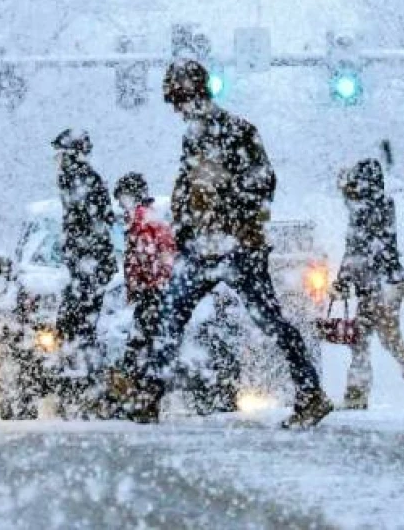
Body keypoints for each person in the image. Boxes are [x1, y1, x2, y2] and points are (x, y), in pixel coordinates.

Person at [131, 59, 332, 429]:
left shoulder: (236, 130)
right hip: (206, 246)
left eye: (178, 100)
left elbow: (263, 182)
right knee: (173, 317)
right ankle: (149, 395)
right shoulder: (196, 135)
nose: (177, 110)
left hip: (233, 246)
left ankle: (310, 392)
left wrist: (230, 211)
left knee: (263, 320)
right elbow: (193, 186)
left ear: (193, 94)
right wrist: (188, 222)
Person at [333, 158, 404, 409]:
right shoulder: (376, 205)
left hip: (382, 285)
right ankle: (357, 393)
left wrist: (344, 279)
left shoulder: (366, 210)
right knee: (361, 338)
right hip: (380, 283)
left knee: (387, 337)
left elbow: (358, 251)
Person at [50, 128, 116, 413]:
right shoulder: (82, 179)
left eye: (61, 155)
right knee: (77, 325)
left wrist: (80, 255)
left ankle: (89, 388)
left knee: (80, 326)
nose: (57, 162)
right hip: (87, 266)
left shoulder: (79, 180)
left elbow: (93, 223)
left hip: (89, 267)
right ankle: (85, 387)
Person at [113, 172, 176, 385]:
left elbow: (150, 259)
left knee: (142, 342)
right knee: (146, 341)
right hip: (154, 292)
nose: (120, 204)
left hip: (152, 293)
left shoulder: (142, 222)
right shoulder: (147, 218)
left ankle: (140, 386)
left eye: (122, 198)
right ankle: (140, 384)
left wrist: (145, 286)